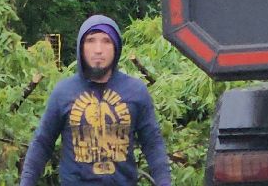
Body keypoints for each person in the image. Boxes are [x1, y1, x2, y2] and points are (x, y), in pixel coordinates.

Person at [20, 15, 172, 186]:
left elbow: (153, 143)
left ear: (116, 47)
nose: (98, 49)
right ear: (81, 47)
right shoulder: (63, 92)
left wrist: (164, 182)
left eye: (106, 41)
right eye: (91, 40)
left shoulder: (136, 92)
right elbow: (42, 143)